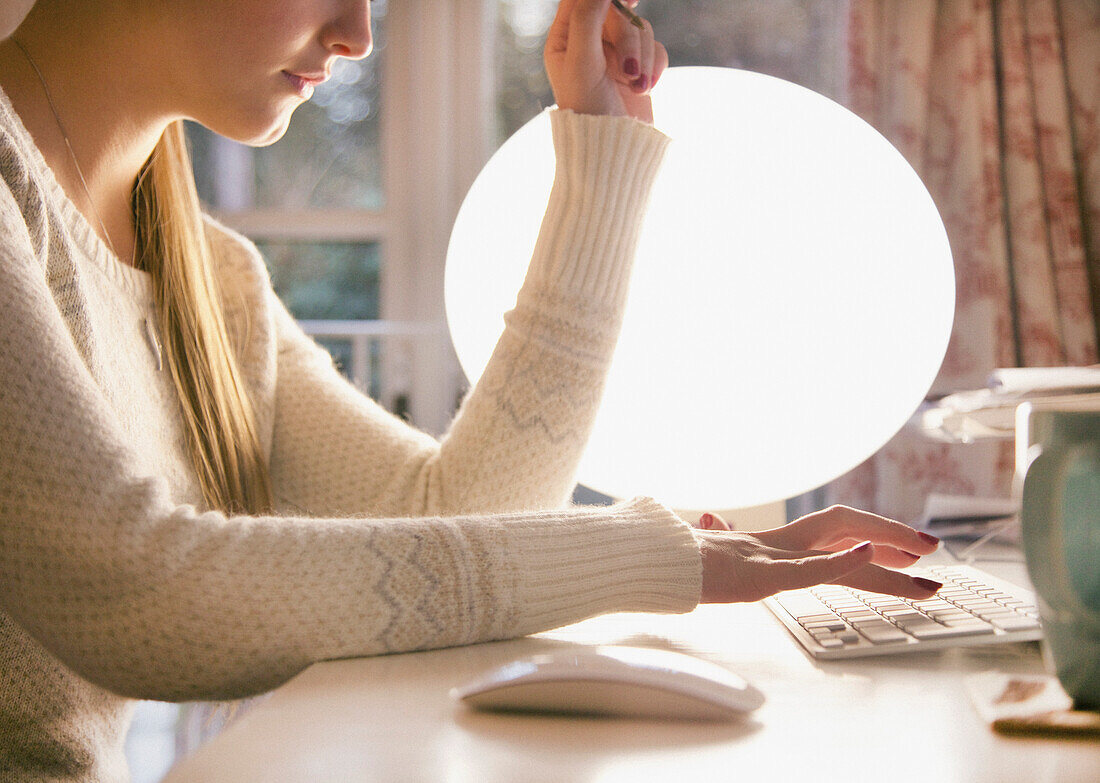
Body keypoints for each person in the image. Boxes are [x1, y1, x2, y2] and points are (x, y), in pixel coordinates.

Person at [0, 1, 943, 780]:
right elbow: (128, 592)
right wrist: (659, 559)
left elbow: (460, 509)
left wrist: (598, 166)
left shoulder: (213, 278)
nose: (358, 35)